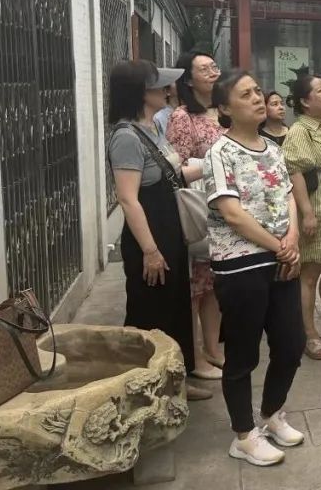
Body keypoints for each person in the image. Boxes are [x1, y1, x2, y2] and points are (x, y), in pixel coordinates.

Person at [204, 70, 306, 467]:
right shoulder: (220, 152)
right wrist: (280, 246)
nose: (258, 98)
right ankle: (244, 435)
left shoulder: (273, 148)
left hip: (281, 258)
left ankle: (271, 413)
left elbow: (288, 195)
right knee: (243, 353)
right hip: (241, 264)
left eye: (258, 91)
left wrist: (292, 238)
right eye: (245, 94)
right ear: (225, 107)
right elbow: (232, 214)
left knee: (291, 344)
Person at [107, 60, 211, 402]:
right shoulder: (126, 137)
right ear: (141, 92)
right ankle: (141, 388)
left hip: (170, 230)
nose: (168, 91)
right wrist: (150, 251)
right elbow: (128, 199)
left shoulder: (152, 128)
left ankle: (174, 381)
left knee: (174, 308)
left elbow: (172, 175)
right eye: (159, 86)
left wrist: (217, 162)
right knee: (150, 311)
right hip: (149, 237)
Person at [167, 51, 225, 380]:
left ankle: (213, 349)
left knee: (214, 284)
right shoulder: (183, 116)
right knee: (195, 287)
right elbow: (176, 168)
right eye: (205, 69)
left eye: (214, 66)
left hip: (225, 207)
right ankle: (193, 357)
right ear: (188, 79)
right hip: (199, 209)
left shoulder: (224, 111)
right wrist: (215, 165)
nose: (213, 72)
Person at [280, 75, 321, 361]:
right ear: (305, 101)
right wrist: (306, 213)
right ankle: (309, 334)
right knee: (309, 274)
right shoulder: (300, 131)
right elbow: (295, 172)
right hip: (316, 211)